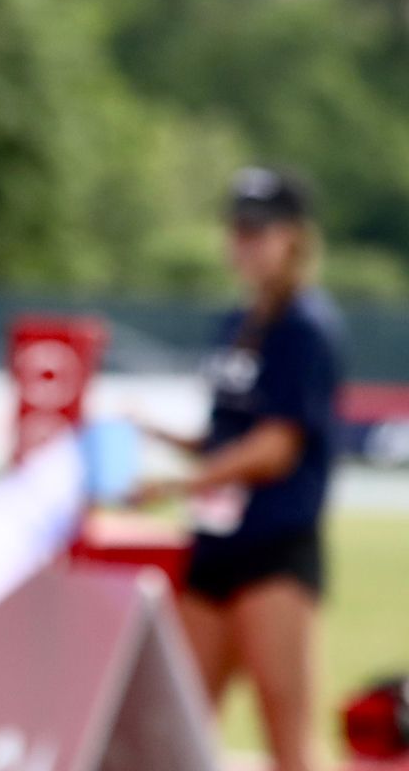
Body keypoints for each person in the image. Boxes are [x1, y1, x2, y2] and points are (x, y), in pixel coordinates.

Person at [144, 167, 345, 771]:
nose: (245, 244)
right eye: (237, 230)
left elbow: (273, 448)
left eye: (259, 231)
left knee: (286, 731)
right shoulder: (235, 325)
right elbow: (226, 437)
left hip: (274, 548)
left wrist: (179, 484)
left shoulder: (307, 327)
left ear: (293, 237)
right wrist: (147, 431)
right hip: (213, 546)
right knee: (173, 729)